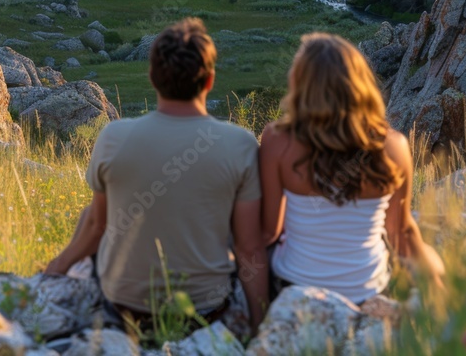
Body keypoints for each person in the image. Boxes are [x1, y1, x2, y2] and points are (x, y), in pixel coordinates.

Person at [45, 18, 269, 335]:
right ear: (209, 81)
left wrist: (54, 270)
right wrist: (259, 327)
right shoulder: (240, 143)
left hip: (124, 307)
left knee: (90, 214)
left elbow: (97, 226)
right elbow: (249, 248)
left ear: (152, 77)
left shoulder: (113, 136)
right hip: (203, 311)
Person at [260, 33, 445, 305]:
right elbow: (401, 233)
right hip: (368, 292)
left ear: (301, 86)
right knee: (435, 258)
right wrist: (438, 287)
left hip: (297, 290)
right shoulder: (394, 146)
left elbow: (269, 232)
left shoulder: (277, 140)